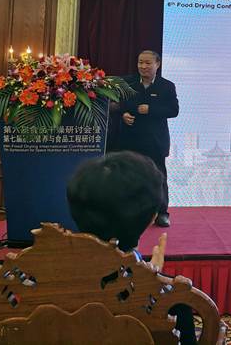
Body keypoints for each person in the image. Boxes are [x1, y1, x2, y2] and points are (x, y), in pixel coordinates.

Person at [66, 151, 195, 344]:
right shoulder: (174, 302)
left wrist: (145, 274)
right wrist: (151, 280)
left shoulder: (36, 281)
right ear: (152, 217)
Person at [120, 50, 178, 227]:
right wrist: (123, 114)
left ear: (157, 64)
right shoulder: (127, 83)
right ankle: (131, 213)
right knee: (130, 177)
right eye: (140, 62)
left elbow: (173, 110)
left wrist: (151, 109)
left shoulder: (166, 86)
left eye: (147, 63)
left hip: (155, 141)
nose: (143, 66)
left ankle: (162, 213)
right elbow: (118, 104)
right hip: (131, 139)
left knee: (158, 177)